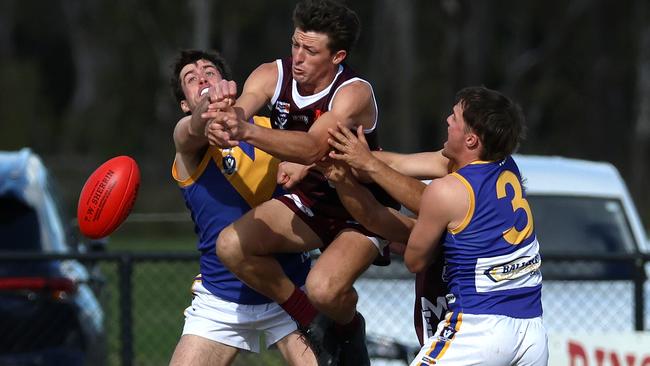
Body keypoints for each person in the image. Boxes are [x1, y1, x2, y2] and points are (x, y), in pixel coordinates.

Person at [202, 1, 396, 364]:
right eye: (295, 44)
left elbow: (311, 148)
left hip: (361, 207)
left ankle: (350, 327)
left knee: (325, 289)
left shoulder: (353, 92)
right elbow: (243, 107)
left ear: (337, 56)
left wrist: (244, 131)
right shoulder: (271, 74)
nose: (298, 57)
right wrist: (223, 120)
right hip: (312, 201)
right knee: (230, 246)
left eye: (310, 50)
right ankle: (309, 320)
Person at [328, 86, 549, 365]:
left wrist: (411, 227)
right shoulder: (506, 165)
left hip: (481, 329)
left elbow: (415, 260)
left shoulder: (446, 191)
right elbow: (397, 163)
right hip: (532, 332)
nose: (447, 120)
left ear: (471, 140)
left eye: (455, 117)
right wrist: (360, 158)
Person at [167, 49, 316, 366]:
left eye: (209, 72)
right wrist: (208, 107)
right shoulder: (188, 140)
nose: (202, 78)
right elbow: (192, 129)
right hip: (222, 300)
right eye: (190, 79)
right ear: (185, 103)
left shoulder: (270, 127)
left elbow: (314, 147)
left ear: (228, 83)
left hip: (289, 290)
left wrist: (309, 162)